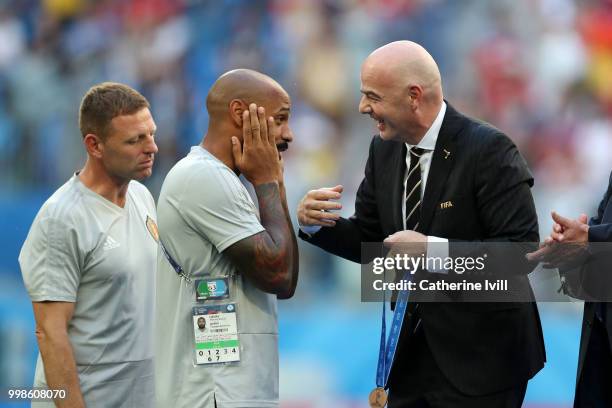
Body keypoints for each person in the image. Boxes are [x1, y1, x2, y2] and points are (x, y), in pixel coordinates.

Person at [297, 41, 545, 407]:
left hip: (482, 363)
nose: (362, 107)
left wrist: (432, 251)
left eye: (372, 96)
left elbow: (521, 254)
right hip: (410, 360)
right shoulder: (383, 150)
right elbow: (372, 241)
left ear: (414, 96)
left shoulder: (489, 149)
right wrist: (319, 224)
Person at [155, 69, 298, 408]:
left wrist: (273, 185)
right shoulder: (202, 177)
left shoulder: (228, 181)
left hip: (231, 388)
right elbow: (280, 275)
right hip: (213, 391)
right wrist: (267, 183)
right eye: (280, 119)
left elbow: (285, 275)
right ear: (239, 113)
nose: (288, 134)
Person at [19, 82, 159, 407]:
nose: (151, 147)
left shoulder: (142, 196)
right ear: (94, 145)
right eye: (134, 140)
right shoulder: (62, 219)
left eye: (151, 134)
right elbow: (51, 335)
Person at [528, 171, 612, 407]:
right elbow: (598, 230)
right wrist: (568, 246)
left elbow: (595, 235)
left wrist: (589, 237)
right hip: (601, 333)